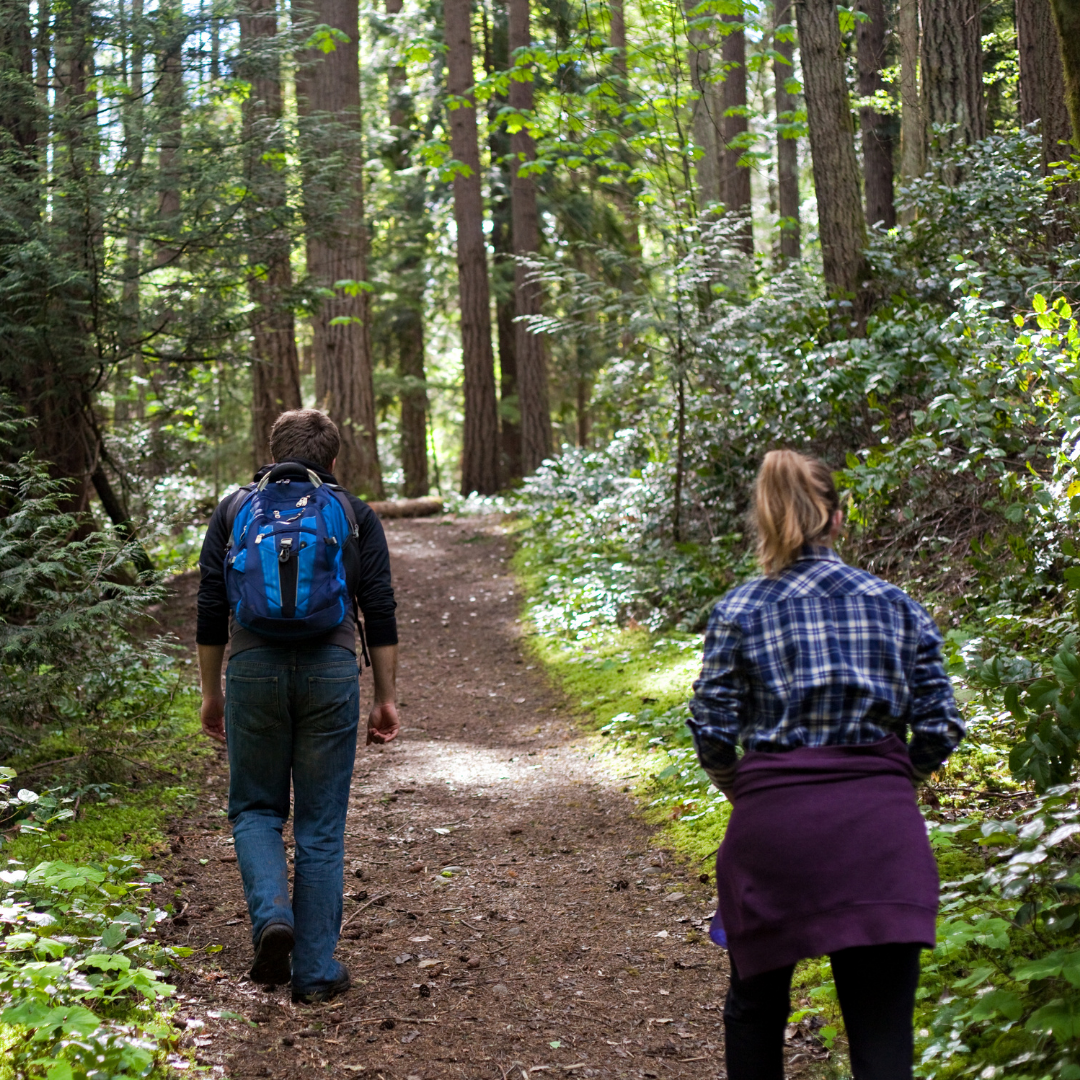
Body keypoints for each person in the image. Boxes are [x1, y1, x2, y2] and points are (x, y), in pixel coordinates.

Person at [688, 450, 964, 1080]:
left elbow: (711, 729)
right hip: (879, 833)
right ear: (838, 519)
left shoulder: (740, 609)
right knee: (882, 1028)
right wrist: (896, 784)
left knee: (755, 1008)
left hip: (774, 832)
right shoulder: (897, 605)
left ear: (765, 521)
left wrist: (744, 790)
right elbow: (941, 726)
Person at [196, 408, 399, 1004]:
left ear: (272, 448)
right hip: (331, 671)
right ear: (333, 461)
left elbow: (211, 608)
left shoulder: (235, 509)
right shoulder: (354, 515)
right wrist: (385, 698)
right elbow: (380, 607)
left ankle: (271, 919)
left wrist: (212, 693)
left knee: (256, 808)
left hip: (252, 669)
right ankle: (314, 970)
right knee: (320, 825)